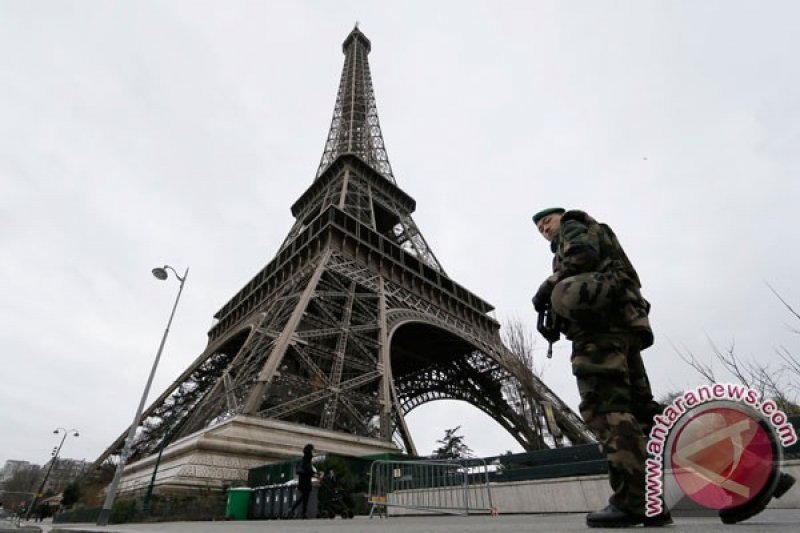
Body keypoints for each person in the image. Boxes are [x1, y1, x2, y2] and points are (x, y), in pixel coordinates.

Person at [531, 207, 669, 528]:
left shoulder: (572, 227)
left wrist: (547, 288)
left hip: (599, 332)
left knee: (606, 409)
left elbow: (581, 257)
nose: (545, 230)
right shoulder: (597, 231)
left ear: (560, 216)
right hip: (624, 328)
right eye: (540, 229)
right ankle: (746, 468)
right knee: (642, 414)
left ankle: (633, 501)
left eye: (546, 222)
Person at [290, 443, 316, 519]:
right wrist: (313, 473)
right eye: (312, 450)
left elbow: (309, 470)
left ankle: (300, 512)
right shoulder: (306, 459)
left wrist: (314, 473)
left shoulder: (307, 459)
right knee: (304, 497)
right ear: (309, 451)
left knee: (305, 497)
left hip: (305, 481)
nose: (313, 452)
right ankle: (294, 509)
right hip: (305, 481)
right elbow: (308, 470)